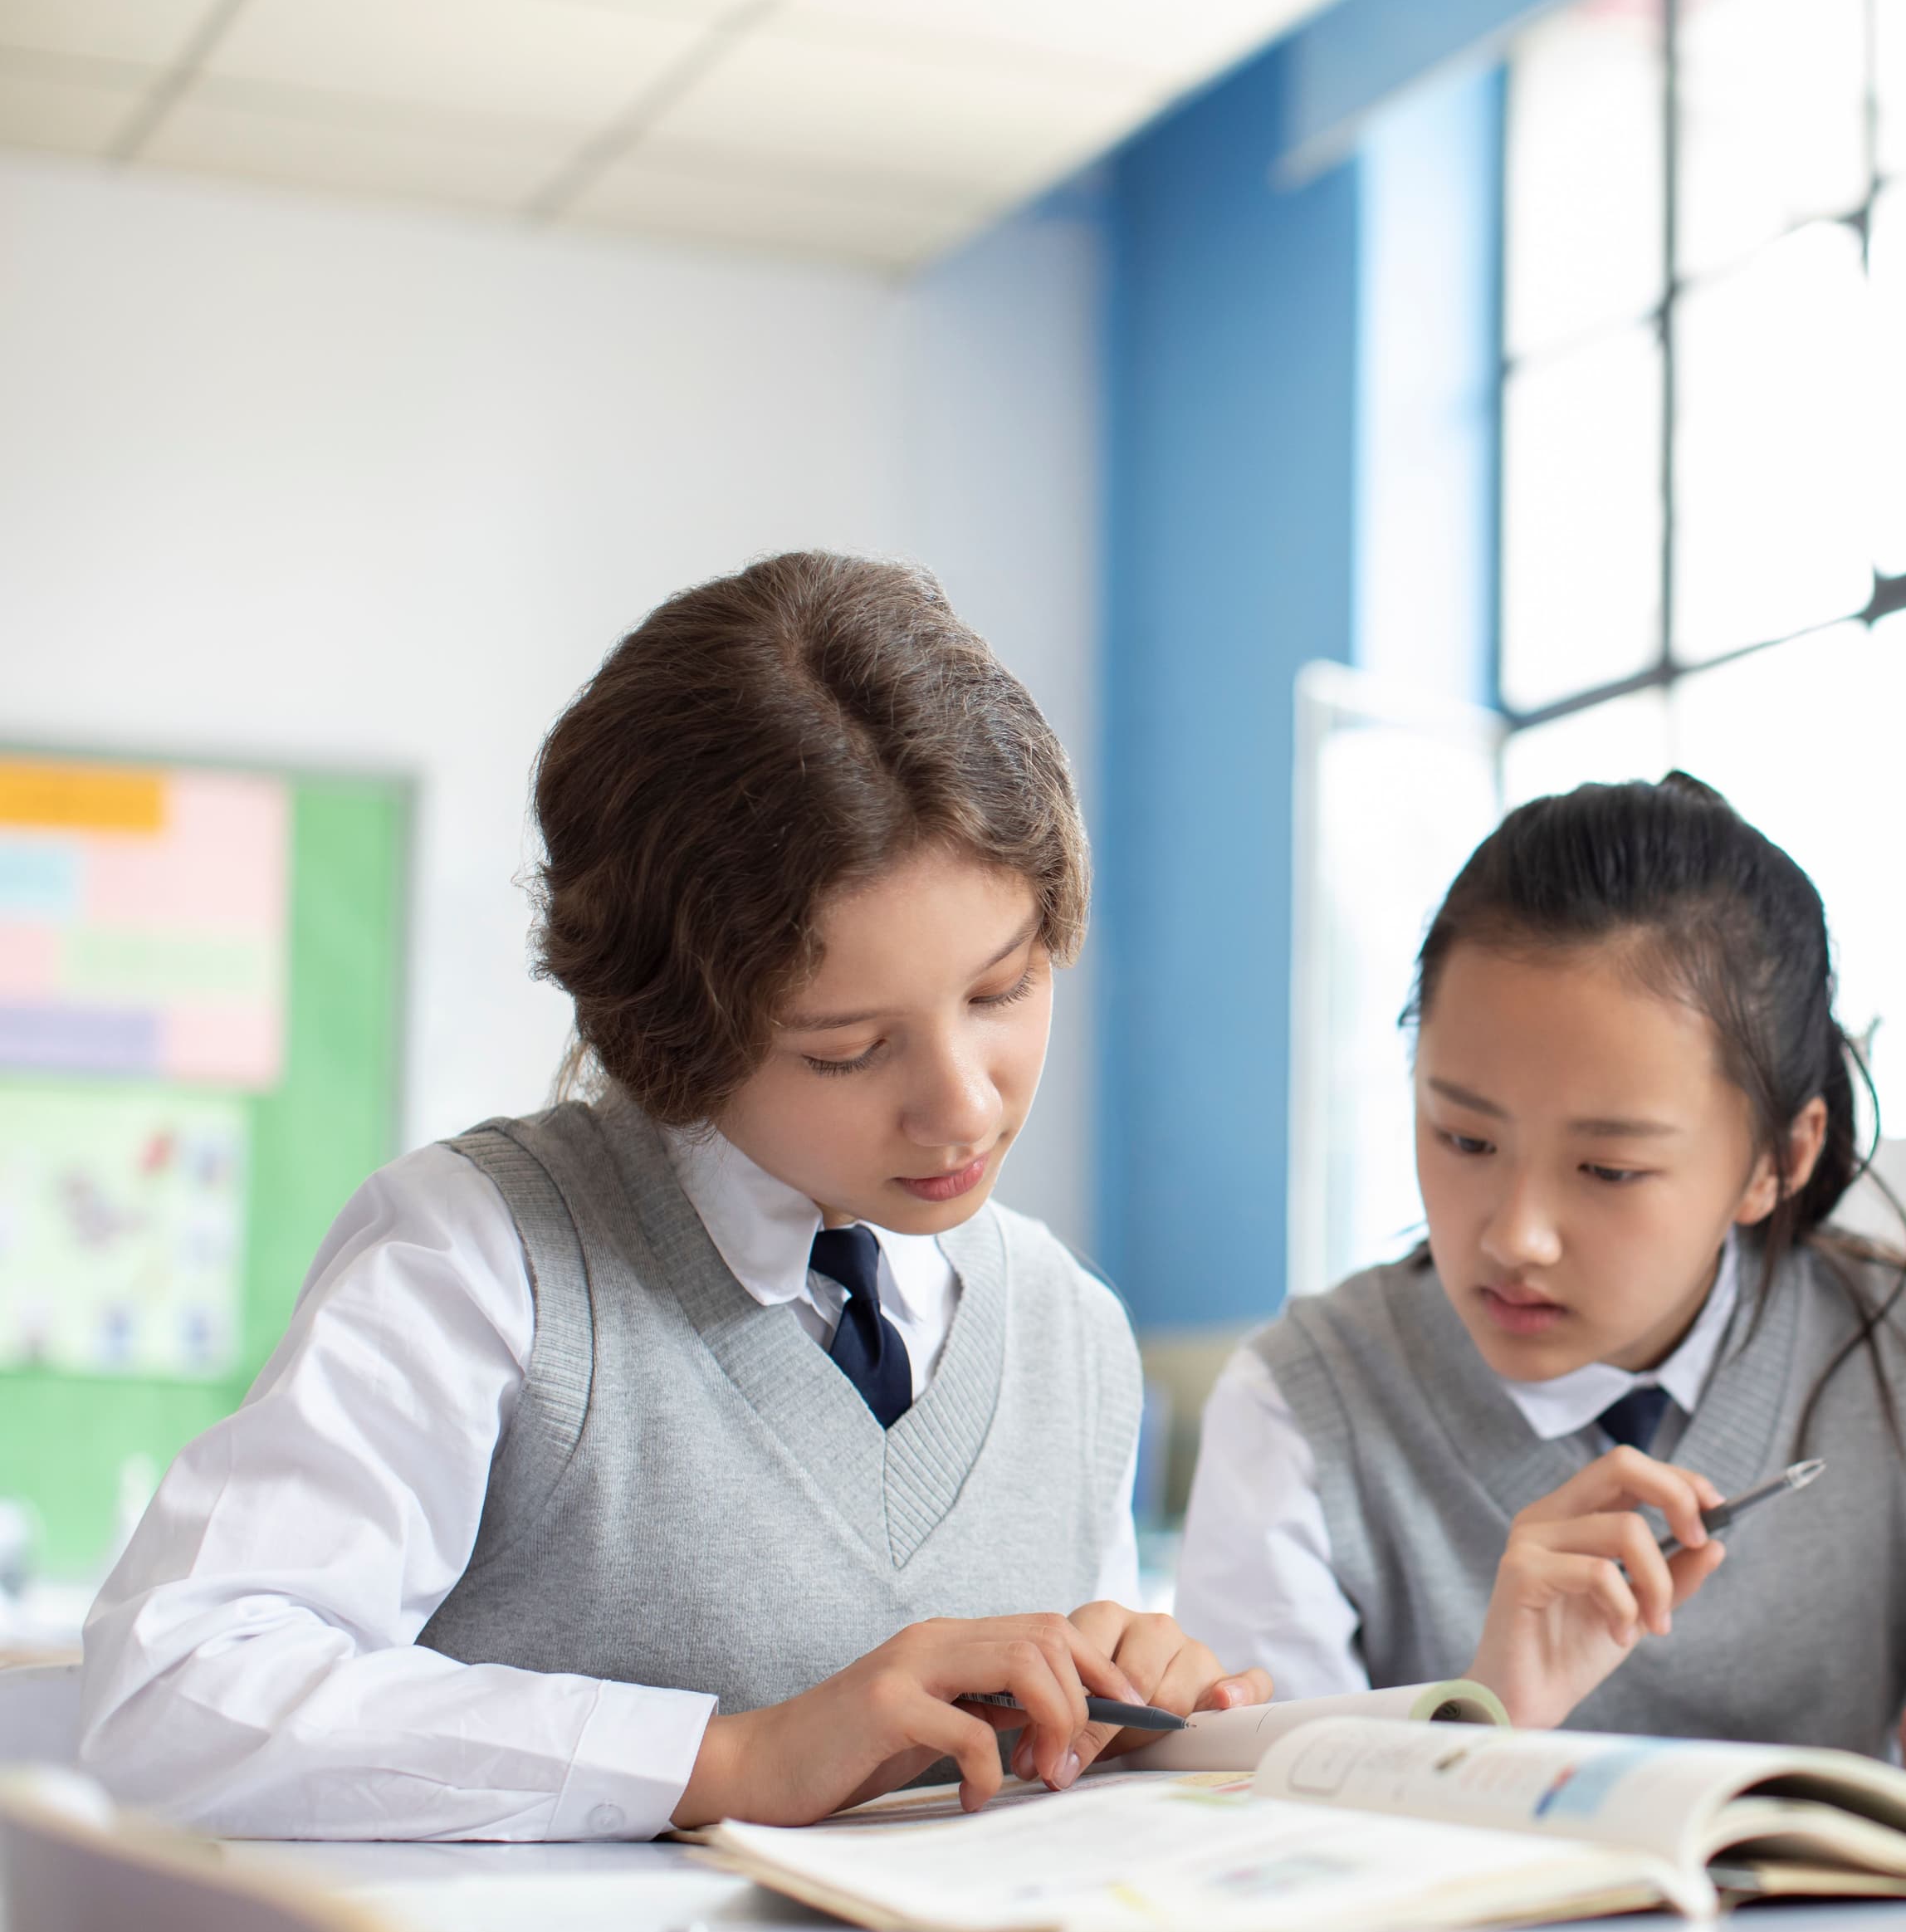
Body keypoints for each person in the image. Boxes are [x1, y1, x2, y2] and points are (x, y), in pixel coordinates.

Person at [81, 553, 1266, 1838]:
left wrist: (1127, 1706)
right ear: (671, 1035)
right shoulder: (485, 1259)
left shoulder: (1070, 1330)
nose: (965, 1106)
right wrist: (728, 1760)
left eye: (1004, 989)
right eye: (847, 1050)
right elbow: (173, 1693)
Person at [1175, 774, 1906, 1767]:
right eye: (1465, 1138)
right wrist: (1487, 1720)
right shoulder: (1299, 1403)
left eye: (1609, 1169)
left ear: (1780, 1158)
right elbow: (1258, 1828)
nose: (1518, 1237)